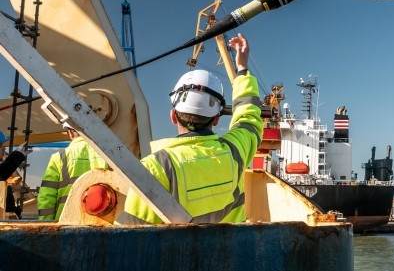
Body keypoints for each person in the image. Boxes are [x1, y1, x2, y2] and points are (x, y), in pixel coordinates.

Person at [116, 33, 263, 224]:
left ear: (172, 116)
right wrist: (242, 69)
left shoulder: (155, 167)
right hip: (230, 253)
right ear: (217, 119)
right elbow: (248, 118)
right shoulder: (234, 153)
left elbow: (132, 232)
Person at [37, 126, 109, 220]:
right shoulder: (108, 157)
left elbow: (46, 197)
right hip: (102, 222)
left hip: (66, 222)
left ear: (71, 133)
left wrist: (46, 227)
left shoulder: (59, 157)